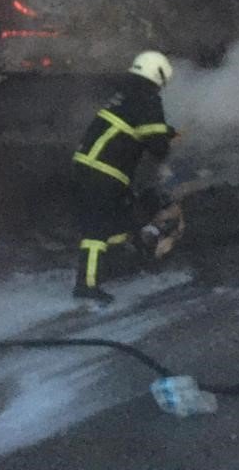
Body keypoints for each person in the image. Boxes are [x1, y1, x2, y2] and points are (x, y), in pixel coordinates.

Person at [71, 51, 177, 302]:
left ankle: (114, 267)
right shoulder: (148, 99)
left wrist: (162, 132)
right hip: (103, 171)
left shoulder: (127, 94)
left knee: (118, 222)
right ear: (158, 75)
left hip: (95, 168)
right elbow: (157, 147)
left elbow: (138, 128)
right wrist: (164, 138)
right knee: (96, 229)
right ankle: (86, 286)